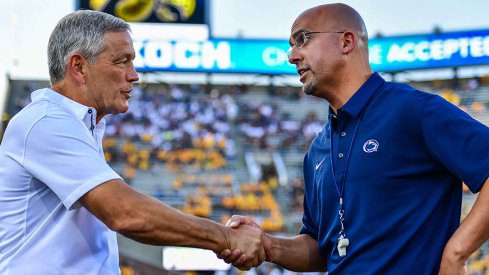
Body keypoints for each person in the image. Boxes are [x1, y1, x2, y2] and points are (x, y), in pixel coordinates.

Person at [218, 3, 489, 274]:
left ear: (346, 41)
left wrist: (456, 254)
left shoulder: (414, 110)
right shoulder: (318, 150)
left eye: (303, 39)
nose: (293, 57)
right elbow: (320, 248)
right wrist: (268, 245)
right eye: (291, 47)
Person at [0, 10, 267, 274]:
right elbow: (126, 213)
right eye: (121, 61)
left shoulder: (76, 124)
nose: (134, 75)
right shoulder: (46, 121)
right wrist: (227, 237)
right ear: (79, 67)